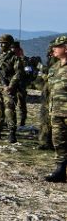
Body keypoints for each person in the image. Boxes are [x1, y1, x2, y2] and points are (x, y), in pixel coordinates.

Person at [0, 33, 23, 142]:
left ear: (10, 44)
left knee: (9, 110)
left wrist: (11, 86)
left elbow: (18, 73)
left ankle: (12, 132)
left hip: (8, 87)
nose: (2, 45)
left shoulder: (15, 58)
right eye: (0, 43)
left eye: (4, 43)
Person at [45, 35, 67, 183]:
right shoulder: (54, 67)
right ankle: (60, 170)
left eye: (57, 46)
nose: (54, 49)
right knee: (58, 141)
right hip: (56, 111)